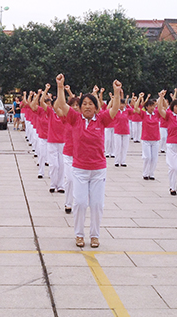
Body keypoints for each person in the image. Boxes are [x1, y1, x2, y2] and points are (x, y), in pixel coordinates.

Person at [54, 74, 121, 249]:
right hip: (80, 170)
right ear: (80, 107)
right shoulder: (75, 118)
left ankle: (94, 235)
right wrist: (60, 87)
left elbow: (114, 109)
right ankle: (79, 234)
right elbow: (62, 105)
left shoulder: (102, 119)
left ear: (96, 107)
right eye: (84, 103)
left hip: (98, 170)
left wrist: (116, 91)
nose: (87, 106)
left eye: (91, 104)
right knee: (80, 203)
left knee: (97, 205)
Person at [157, 90, 177, 196]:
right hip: (172, 143)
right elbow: (160, 109)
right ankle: (172, 187)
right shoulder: (169, 115)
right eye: (176, 106)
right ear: (172, 107)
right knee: (173, 167)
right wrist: (161, 97)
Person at [133, 93, 161, 181]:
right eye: (150, 106)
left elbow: (162, 107)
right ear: (147, 107)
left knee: (154, 158)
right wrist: (140, 97)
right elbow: (136, 107)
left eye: (153, 106)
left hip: (155, 139)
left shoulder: (157, 114)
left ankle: (151, 173)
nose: (152, 108)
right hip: (146, 139)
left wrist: (161, 97)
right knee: (147, 157)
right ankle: (145, 173)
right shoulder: (143, 114)